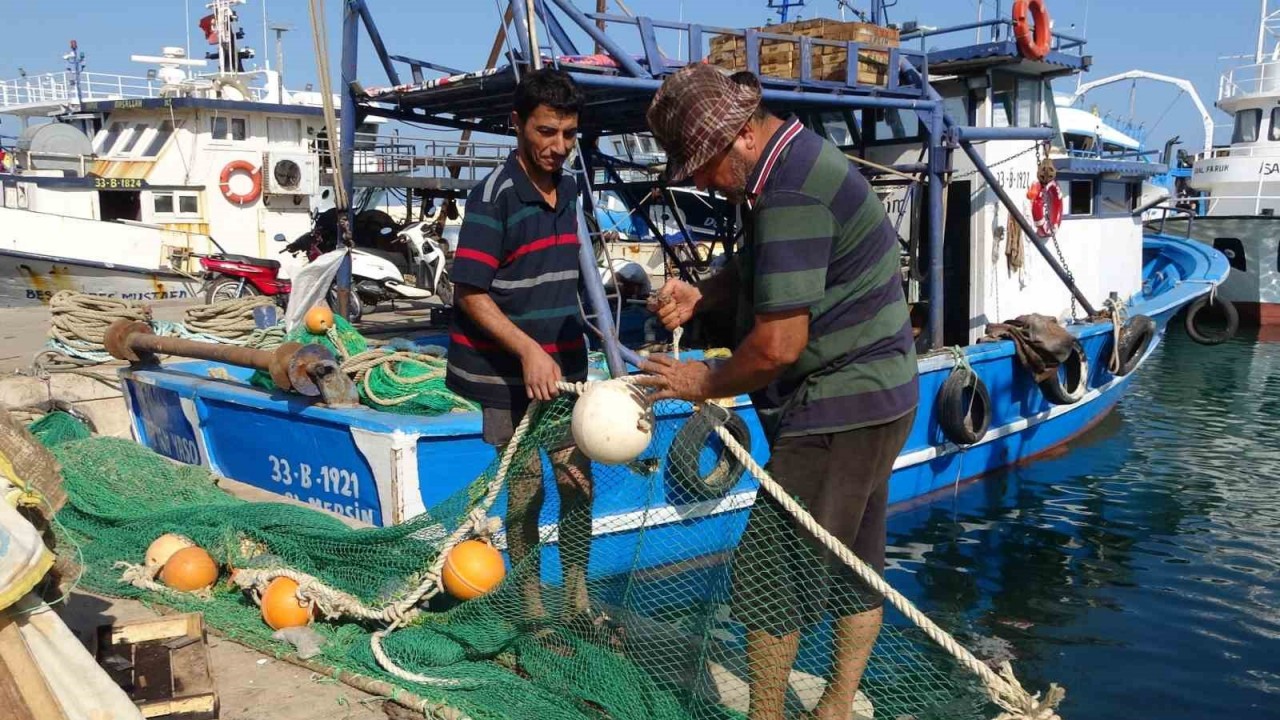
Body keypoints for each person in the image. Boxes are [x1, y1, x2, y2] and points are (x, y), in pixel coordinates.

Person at [640, 64, 920, 720]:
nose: (702, 182)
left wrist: (700, 381)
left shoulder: (789, 192)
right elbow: (770, 262)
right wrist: (705, 291)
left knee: (766, 579)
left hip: (840, 406)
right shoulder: (796, 159)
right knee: (857, 565)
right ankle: (834, 709)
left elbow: (777, 349)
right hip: (885, 396)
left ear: (739, 136)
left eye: (702, 165)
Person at [445, 67, 595, 628]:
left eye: (569, 135)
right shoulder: (493, 197)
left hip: (564, 362)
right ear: (517, 125)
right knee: (526, 489)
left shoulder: (573, 187)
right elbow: (470, 294)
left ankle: (577, 603)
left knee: (578, 481)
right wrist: (529, 349)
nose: (559, 147)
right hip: (503, 370)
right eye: (546, 132)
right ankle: (533, 613)